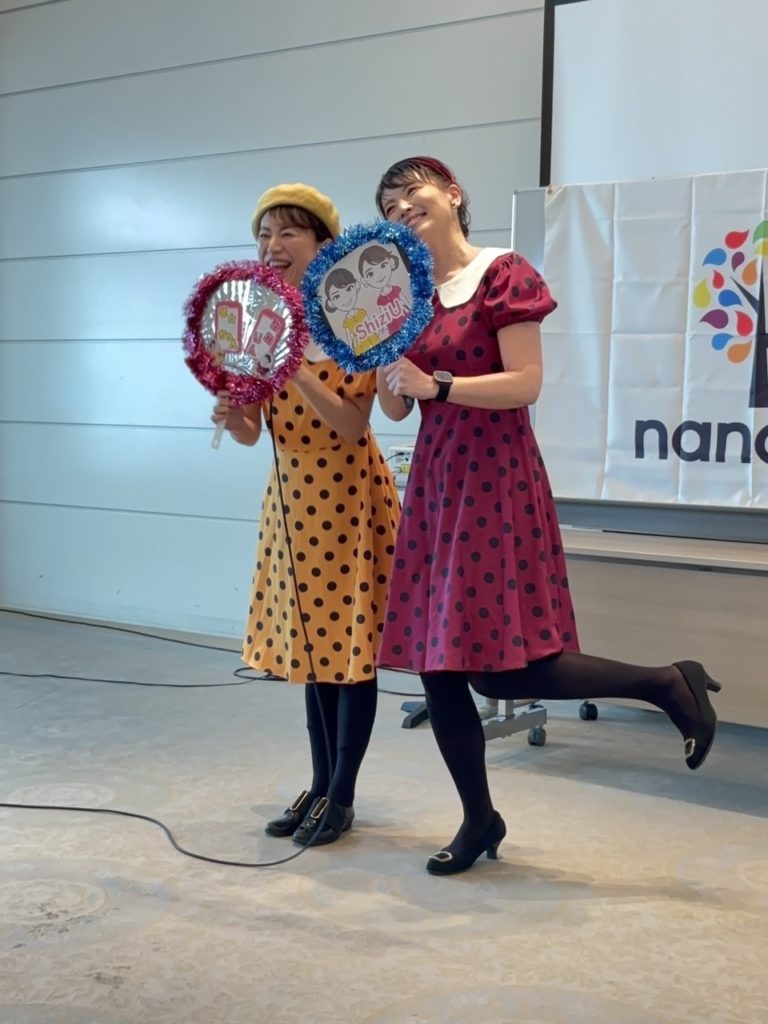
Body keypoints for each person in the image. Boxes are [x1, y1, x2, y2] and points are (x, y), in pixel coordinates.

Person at [373, 156, 722, 875]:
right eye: (388, 205)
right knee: (440, 668)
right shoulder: (404, 298)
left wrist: (438, 384)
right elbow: (399, 407)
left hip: (494, 480)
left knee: (502, 672)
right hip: (437, 484)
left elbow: (525, 384)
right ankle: (479, 819)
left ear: (453, 195)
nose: (402, 208)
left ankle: (665, 683)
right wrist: (386, 369)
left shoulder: (502, 272)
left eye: (413, 192)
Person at [213, 183, 400, 846]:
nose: (273, 245)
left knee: (352, 653)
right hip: (292, 502)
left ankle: (342, 795)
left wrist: (292, 367)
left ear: (323, 245)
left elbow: (352, 425)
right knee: (315, 650)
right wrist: (231, 412)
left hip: (349, 500)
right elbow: (249, 433)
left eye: (289, 232)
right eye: (265, 235)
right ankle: (320, 785)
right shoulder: (260, 325)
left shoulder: (355, 322)